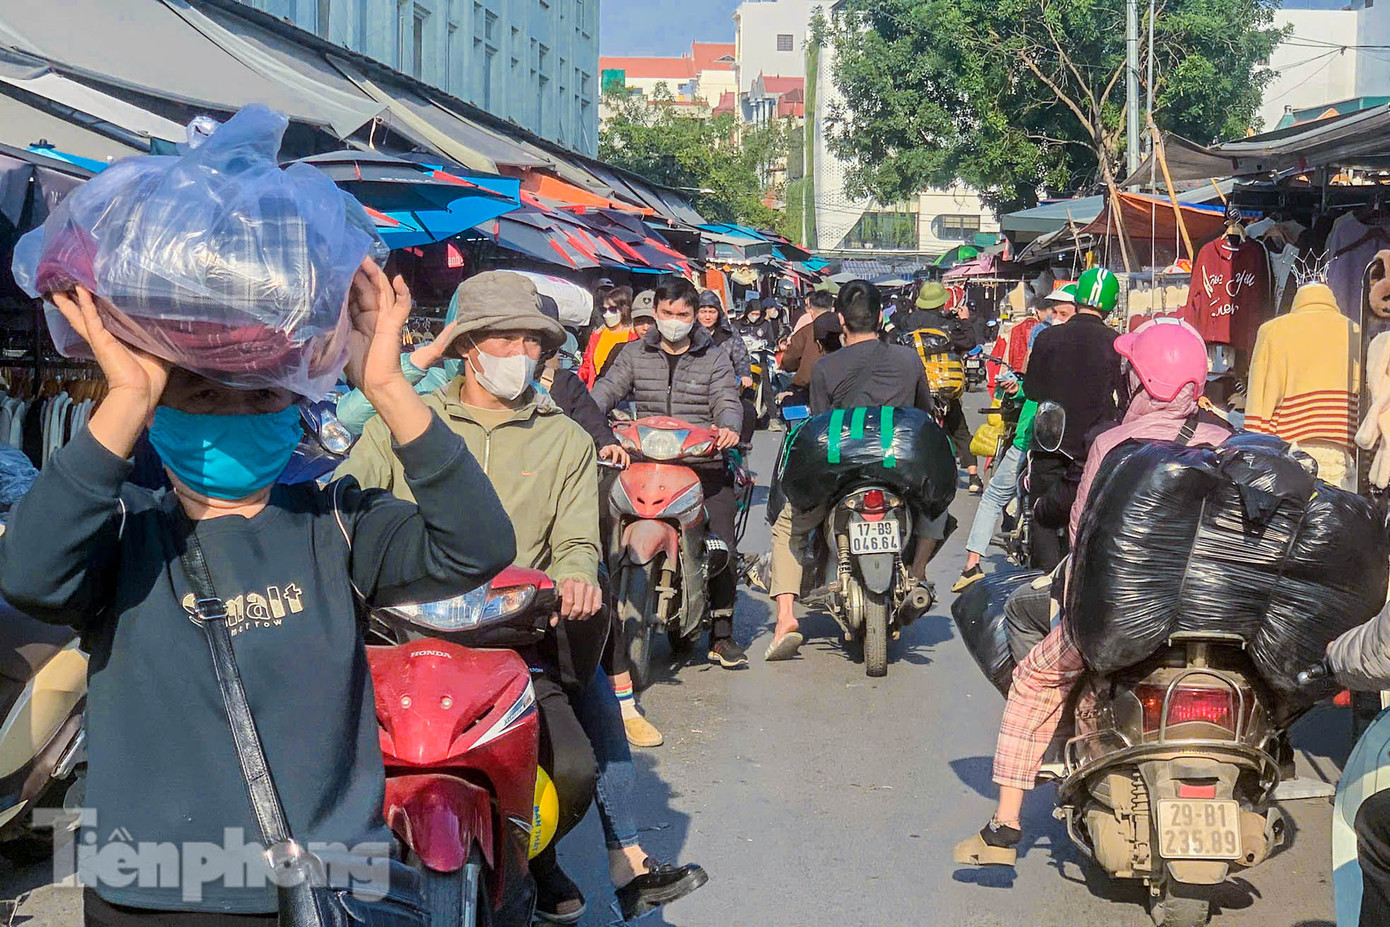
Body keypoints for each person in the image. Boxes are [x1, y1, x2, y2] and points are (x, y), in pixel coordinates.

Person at [0, 259, 519, 923]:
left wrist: (388, 385)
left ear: (294, 408)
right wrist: (126, 398)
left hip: (321, 892)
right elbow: (29, 574)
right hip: (147, 891)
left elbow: (479, 545)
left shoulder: (338, 523)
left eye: (263, 397)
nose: (236, 413)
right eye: (204, 395)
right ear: (163, 410)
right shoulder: (124, 530)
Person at [336, 271, 705, 922]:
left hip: (513, 635)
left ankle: (544, 858)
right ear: (469, 345)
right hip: (398, 634)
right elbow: (343, 502)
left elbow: (574, 542)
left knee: (572, 769)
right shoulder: (402, 421)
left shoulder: (563, 438)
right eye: (505, 338)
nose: (523, 354)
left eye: (533, 341)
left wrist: (579, 576)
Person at [954, 318, 1228, 868]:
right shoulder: (1226, 441)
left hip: (1120, 615)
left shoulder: (1113, 442)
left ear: (1141, 381)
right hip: (1213, 612)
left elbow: (1081, 533)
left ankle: (1006, 826)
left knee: (1034, 677)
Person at [763, 280, 943, 661]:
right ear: (880, 317)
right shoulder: (908, 360)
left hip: (840, 475)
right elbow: (924, 411)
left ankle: (784, 619)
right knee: (934, 507)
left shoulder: (826, 367)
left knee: (787, 529)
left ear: (841, 320)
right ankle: (919, 571)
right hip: (899, 472)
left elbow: (819, 423)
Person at [589, 278, 748, 669]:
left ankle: (722, 633)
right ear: (655, 313)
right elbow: (605, 392)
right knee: (594, 515)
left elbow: (728, 400)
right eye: (667, 313)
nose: (674, 320)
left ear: (695, 317)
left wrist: (728, 428)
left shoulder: (715, 357)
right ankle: (598, 609)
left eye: (683, 314)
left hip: (703, 461)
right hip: (642, 459)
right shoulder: (632, 353)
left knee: (722, 541)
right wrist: (591, 422)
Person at [1022, 268, 1124, 570]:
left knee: (1040, 512)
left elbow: (1032, 389)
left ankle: (1047, 582)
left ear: (1077, 298)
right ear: (1111, 305)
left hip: (1050, 440)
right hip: (1094, 447)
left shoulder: (1049, 338)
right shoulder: (1117, 344)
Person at [895, 281, 982, 493]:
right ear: (941, 302)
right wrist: (964, 320)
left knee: (916, 428)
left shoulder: (908, 322)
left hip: (918, 385)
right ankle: (972, 476)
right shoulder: (949, 325)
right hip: (945, 383)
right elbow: (970, 342)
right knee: (959, 428)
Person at [780, 289, 837, 403]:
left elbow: (789, 360)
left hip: (806, 386)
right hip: (838, 387)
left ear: (811, 311)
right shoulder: (843, 329)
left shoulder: (805, 331)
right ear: (832, 309)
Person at [578, 285, 636, 386]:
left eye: (613, 309)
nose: (607, 314)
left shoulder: (633, 335)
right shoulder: (597, 334)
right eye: (604, 309)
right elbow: (586, 366)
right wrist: (576, 385)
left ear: (624, 309)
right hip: (596, 390)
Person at [600, 292, 655, 375]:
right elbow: (603, 381)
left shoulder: (673, 352)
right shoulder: (620, 351)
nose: (645, 327)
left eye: (651, 322)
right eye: (640, 322)